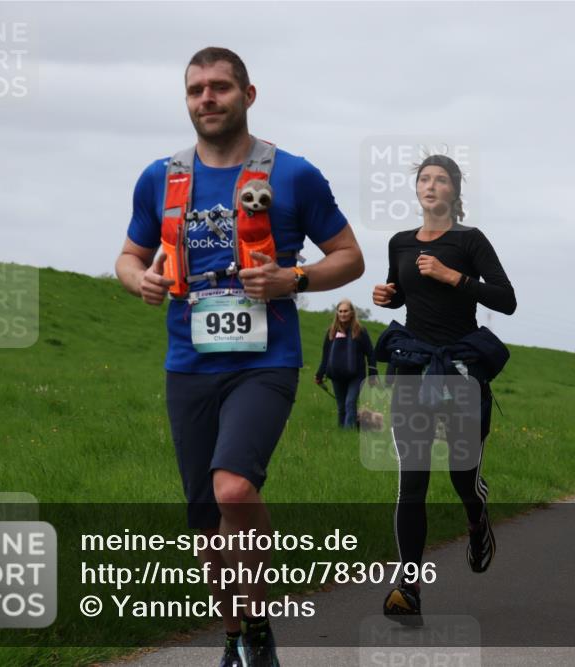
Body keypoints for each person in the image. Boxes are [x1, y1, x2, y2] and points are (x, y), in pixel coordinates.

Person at [115, 47, 364, 667]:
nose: (207, 98)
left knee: (233, 489)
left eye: (220, 87)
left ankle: (253, 623)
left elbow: (349, 257)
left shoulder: (294, 174)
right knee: (206, 522)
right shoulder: (160, 177)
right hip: (188, 365)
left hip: (265, 360)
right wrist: (137, 280)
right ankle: (239, 635)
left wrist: (294, 279)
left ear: (247, 95)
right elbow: (128, 255)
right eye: (196, 89)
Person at [371, 154, 516, 626]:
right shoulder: (399, 242)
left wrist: (454, 276)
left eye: (441, 180)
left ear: (454, 191)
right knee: (412, 480)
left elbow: (506, 299)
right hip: (414, 365)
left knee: (460, 474)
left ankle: (477, 520)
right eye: (424, 179)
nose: (431, 186)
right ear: (417, 189)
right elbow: (404, 290)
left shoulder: (469, 241)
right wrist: (390, 295)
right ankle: (408, 588)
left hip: (458, 367)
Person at [315, 299, 378, 428]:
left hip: (357, 375)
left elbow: (371, 354)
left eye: (346, 311)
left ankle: (348, 431)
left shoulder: (360, 331)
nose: (343, 314)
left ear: (352, 313)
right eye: (340, 311)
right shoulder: (331, 332)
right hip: (336, 375)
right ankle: (342, 434)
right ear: (337, 313)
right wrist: (319, 375)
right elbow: (325, 356)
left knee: (350, 403)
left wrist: (372, 374)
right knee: (341, 406)